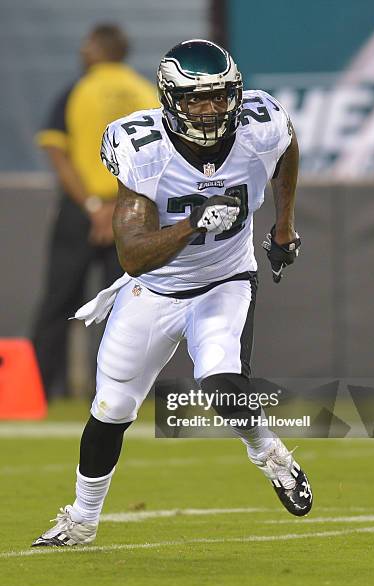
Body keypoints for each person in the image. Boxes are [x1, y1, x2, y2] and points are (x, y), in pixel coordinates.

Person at [32, 39, 312, 547]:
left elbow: (286, 145)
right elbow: (133, 255)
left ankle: (271, 454)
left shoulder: (261, 123)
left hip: (225, 279)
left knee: (220, 384)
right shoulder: (143, 150)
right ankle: (82, 518)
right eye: (195, 99)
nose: (210, 109)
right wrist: (190, 225)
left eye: (220, 96)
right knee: (112, 407)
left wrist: (284, 227)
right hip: (154, 288)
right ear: (170, 101)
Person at [32, 24, 158, 398]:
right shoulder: (144, 91)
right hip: (133, 208)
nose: (82, 51)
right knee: (130, 304)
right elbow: (157, 158)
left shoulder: (78, 90)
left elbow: (57, 151)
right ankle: (121, 389)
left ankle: (37, 389)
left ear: (98, 50)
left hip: (81, 211)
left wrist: (92, 206)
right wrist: (119, 206)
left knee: (59, 299)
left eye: (88, 46)